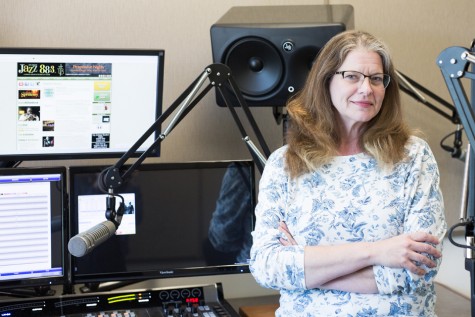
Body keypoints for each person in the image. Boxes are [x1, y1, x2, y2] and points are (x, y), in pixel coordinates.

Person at [249, 30, 447, 317]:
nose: (367, 88)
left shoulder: (412, 156)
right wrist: (378, 252)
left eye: (376, 79)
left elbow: (419, 269)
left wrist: (309, 272)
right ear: (326, 80)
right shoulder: (284, 163)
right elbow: (268, 266)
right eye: (352, 76)